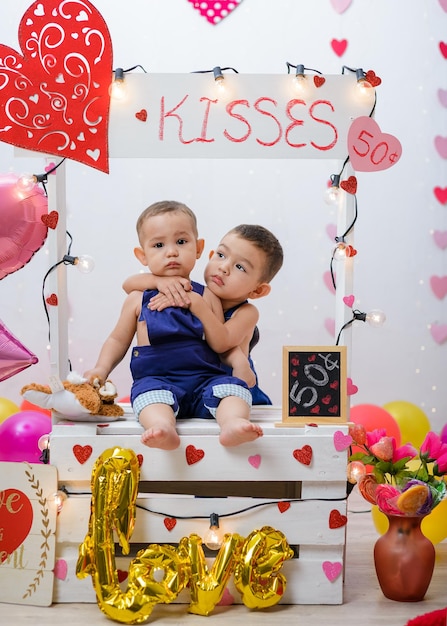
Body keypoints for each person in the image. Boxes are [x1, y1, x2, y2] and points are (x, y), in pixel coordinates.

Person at [84, 200, 261, 450]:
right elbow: (117, 339)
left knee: (232, 391)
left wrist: (239, 362)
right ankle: (163, 428)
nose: (171, 252)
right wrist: (101, 369)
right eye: (158, 245)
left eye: (181, 242)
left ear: (199, 248)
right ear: (142, 255)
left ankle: (232, 423)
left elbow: (220, 341)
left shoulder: (207, 296)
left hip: (204, 379)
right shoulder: (137, 299)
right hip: (157, 379)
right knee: (149, 400)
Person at [123, 223, 284, 405]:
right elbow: (129, 285)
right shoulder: (198, 293)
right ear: (210, 256)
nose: (223, 267)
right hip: (199, 390)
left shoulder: (246, 313)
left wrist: (196, 304)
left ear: (258, 291)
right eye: (221, 255)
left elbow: (221, 343)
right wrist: (157, 281)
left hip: (233, 392)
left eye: (240, 267)